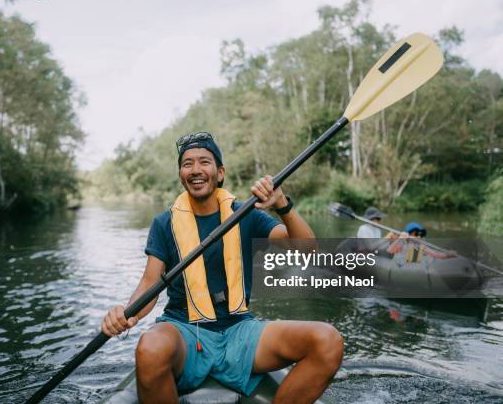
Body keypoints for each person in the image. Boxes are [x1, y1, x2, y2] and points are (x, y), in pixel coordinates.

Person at [101, 132, 343, 404]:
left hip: (239, 330)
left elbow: (307, 250)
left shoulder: (246, 214)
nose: (195, 170)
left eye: (204, 162)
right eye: (187, 163)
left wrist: (282, 205)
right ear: (181, 174)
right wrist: (128, 314)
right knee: (150, 346)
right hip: (184, 330)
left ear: (220, 172)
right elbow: (149, 283)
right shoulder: (163, 223)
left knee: (327, 340)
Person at [387, 222, 456, 261]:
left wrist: (448, 255)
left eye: (419, 233)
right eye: (416, 233)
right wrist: (400, 238)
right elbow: (390, 251)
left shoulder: (420, 243)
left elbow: (434, 254)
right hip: (400, 264)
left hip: (413, 265)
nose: (418, 235)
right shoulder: (402, 241)